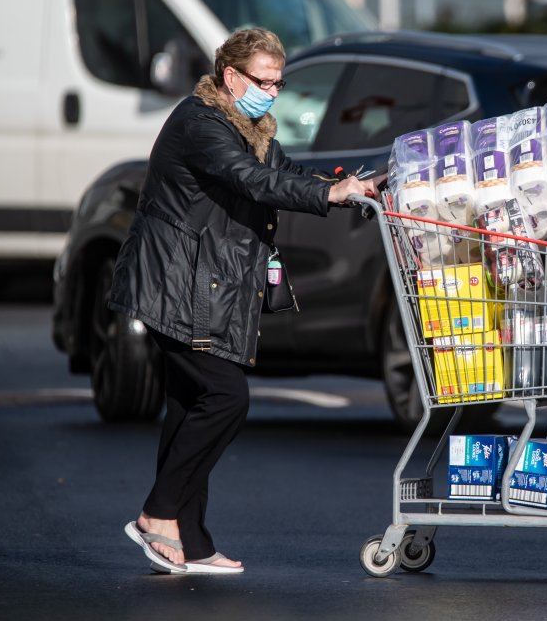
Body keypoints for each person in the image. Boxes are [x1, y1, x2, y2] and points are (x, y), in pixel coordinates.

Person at [109, 28, 380, 575]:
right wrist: (327, 195)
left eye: (279, 84)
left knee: (190, 404)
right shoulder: (200, 124)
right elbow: (250, 180)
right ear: (230, 76)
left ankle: (193, 538)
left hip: (198, 284)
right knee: (226, 396)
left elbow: (280, 173)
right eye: (264, 82)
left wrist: (349, 187)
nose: (273, 93)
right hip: (173, 283)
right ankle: (157, 516)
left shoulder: (249, 126)